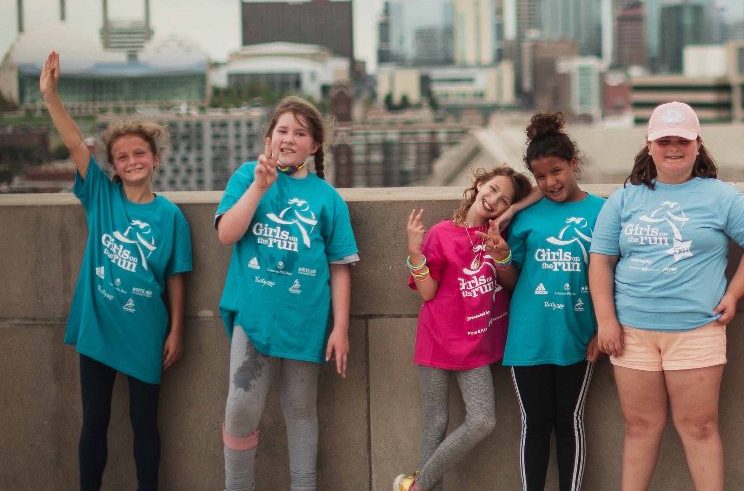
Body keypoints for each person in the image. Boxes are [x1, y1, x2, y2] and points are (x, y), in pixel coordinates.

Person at [589, 101, 744, 491]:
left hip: (696, 332)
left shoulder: (721, 196)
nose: (673, 148)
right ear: (649, 144)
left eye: (682, 140)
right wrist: (606, 320)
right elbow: (601, 261)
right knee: (639, 428)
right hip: (633, 333)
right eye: (664, 140)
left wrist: (734, 293)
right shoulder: (623, 199)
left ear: (697, 144)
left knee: (700, 428)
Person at [43, 50, 193, 491]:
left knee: (145, 426)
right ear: (114, 165)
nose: (131, 161)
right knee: (95, 423)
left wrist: (177, 330)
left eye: (139, 154)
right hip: (99, 327)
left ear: (154, 159)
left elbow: (176, 276)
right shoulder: (101, 198)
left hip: (146, 330)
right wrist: (51, 95)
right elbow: (74, 144)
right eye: (122, 157)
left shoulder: (171, 217)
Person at [215, 96, 358, 491]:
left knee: (300, 411)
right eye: (282, 130)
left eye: (300, 133)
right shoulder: (247, 176)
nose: (289, 138)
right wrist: (260, 188)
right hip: (254, 314)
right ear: (268, 138)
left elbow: (340, 266)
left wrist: (341, 327)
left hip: (306, 318)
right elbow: (228, 233)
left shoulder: (327, 198)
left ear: (314, 146)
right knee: (241, 406)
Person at [392, 165, 532, 491]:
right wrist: (415, 252)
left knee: (482, 420)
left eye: (504, 199)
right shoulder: (441, 233)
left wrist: (502, 252)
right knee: (435, 423)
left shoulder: (496, 238)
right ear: (480, 184)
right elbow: (427, 292)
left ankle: (415, 486)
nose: (494, 199)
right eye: (493, 189)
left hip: (475, 345)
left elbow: (511, 285)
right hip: (437, 338)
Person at [502, 112, 605, 491]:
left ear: (573, 164)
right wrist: (500, 259)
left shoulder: (603, 212)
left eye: (557, 172)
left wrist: (604, 330)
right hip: (528, 336)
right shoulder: (527, 216)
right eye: (541, 177)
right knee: (534, 423)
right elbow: (513, 280)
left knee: (569, 421)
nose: (550, 182)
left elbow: (617, 278)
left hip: (578, 336)